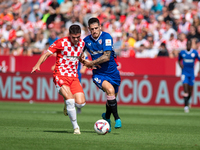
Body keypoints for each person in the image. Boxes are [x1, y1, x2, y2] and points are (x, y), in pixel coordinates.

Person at [31, 25, 86, 134]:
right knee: (71, 100)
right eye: (74, 37)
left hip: (74, 77)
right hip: (60, 75)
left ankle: (66, 103)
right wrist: (37, 65)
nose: (76, 39)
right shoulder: (61, 42)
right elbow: (46, 54)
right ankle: (76, 127)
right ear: (69, 35)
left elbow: (79, 56)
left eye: (78, 37)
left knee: (80, 103)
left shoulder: (82, 44)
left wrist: (86, 63)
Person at [81, 17, 122, 132]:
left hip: (113, 72)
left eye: (96, 28)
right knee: (110, 90)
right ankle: (117, 119)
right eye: (92, 29)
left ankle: (107, 117)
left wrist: (91, 63)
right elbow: (78, 53)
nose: (94, 31)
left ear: (100, 27)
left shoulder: (106, 37)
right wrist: (82, 60)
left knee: (112, 96)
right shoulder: (86, 40)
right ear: (88, 29)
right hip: (99, 74)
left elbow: (107, 56)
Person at [178, 40, 200, 113]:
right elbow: (178, 60)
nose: (188, 46)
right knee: (185, 89)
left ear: (191, 45)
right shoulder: (182, 53)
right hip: (184, 73)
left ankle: (187, 102)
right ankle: (186, 106)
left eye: (189, 45)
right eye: (187, 44)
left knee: (190, 91)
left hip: (192, 73)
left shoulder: (194, 53)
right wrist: (181, 65)